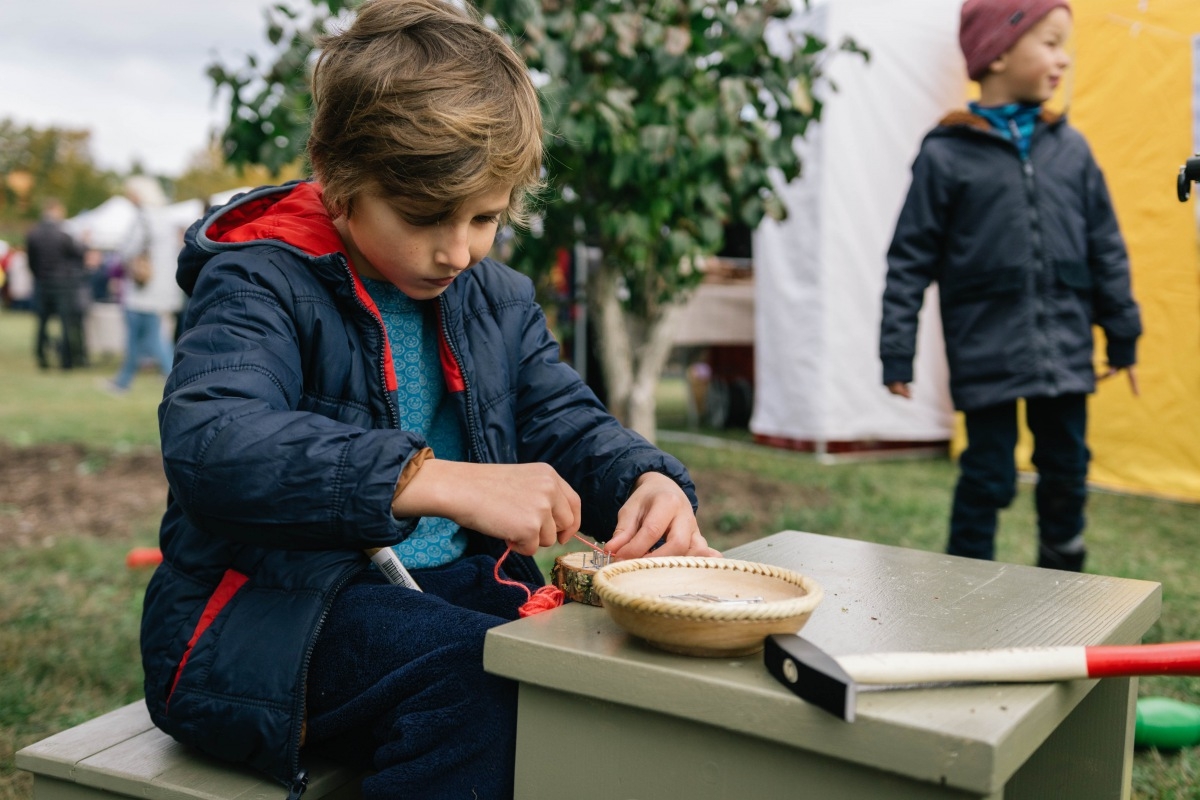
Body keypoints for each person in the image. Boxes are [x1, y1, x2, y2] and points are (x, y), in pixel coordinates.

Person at [139, 2, 718, 798]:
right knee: (486, 681)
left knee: (613, 674)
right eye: (424, 217)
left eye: (484, 218)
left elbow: (566, 423)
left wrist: (646, 484)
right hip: (271, 619)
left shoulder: (497, 298)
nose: (457, 250)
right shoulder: (260, 279)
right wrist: (432, 479)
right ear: (339, 183)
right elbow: (217, 444)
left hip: (448, 597)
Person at [880, 0, 1141, 573]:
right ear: (998, 52)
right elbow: (908, 260)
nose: (1063, 60)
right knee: (988, 475)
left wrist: (1122, 332)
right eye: (1050, 43)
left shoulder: (1071, 150)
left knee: (1067, 470)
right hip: (986, 352)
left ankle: (1063, 589)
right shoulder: (946, 155)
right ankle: (968, 602)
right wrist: (896, 351)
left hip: (1066, 350)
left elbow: (1106, 248)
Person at [101, 176, 183, 393]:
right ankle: (125, 380)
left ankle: (164, 377)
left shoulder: (143, 217)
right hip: (160, 288)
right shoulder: (166, 217)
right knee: (148, 336)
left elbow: (129, 249)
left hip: (142, 288)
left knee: (146, 337)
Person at [26, 198, 88, 369]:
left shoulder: (33, 233)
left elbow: (30, 261)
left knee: (42, 322)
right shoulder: (63, 234)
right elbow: (78, 254)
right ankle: (66, 361)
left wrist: (39, 276)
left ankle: (41, 357)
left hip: (42, 282)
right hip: (63, 283)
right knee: (65, 322)